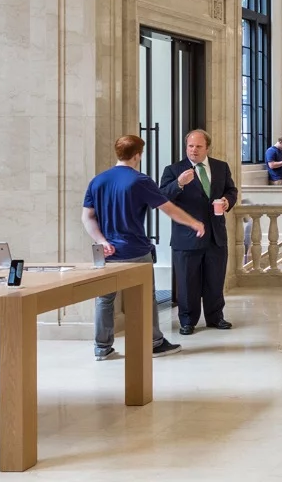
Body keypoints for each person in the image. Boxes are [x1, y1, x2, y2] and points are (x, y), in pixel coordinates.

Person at [82, 134, 204, 360]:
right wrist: (194, 222)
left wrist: (102, 241)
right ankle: (154, 343)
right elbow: (170, 210)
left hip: (105, 253)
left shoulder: (97, 181)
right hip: (135, 250)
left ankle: (101, 348)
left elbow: (87, 217)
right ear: (138, 155)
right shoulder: (140, 181)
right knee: (146, 298)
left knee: (104, 299)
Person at [159, 129, 241, 335]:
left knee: (215, 279)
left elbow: (231, 191)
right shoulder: (173, 170)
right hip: (186, 237)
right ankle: (187, 321)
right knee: (187, 282)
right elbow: (161, 197)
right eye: (190, 146)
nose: (193, 150)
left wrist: (226, 201)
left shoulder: (221, 167)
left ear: (207, 148)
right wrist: (179, 184)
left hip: (216, 235)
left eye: (198, 146)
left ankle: (215, 317)